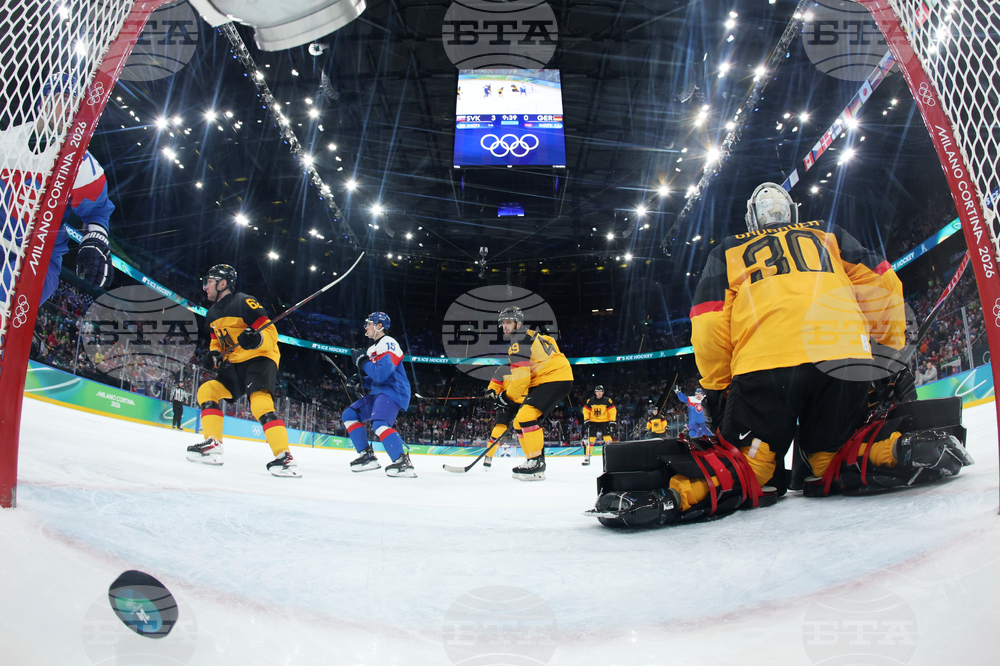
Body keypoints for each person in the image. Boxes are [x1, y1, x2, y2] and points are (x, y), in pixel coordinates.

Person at [677, 182, 912, 510]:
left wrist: (719, 385)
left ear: (752, 220)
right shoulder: (829, 235)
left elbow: (708, 320)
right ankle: (894, 451)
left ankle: (678, 492)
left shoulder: (727, 250)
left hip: (765, 365)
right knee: (830, 459)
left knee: (751, 468)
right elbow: (882, 281)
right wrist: (889, 352)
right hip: (842, 359)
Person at [0, 73, 115, 310]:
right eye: (64, 98)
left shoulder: (83, 165)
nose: (70, 109)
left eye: (76, 104)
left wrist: (95, 238)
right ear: (44, 101)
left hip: (37, 260)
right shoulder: (6, 142)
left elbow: (98, 213)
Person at [185, 265, 299, 477]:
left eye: (208, 282)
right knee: (207, 391)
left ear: (222, 284)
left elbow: (270, 332)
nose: (205, 287)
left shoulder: (243, 301)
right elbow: (215, 343)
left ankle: (285, 457)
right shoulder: (211, 314)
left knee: (260, 403)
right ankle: (213, 444)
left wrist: (256, 339)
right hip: (236, 362)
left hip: (260, 358)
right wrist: (213, 355)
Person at [496, 306, 574, 481]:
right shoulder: (538, 336)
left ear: (519, 323)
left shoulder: (518, 342)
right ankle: (532, 460)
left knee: (526, 416)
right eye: (503, 323)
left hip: (553, 379)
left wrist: (506, 397)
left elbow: (521, 379)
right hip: (554, 378)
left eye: (508, 322)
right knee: (518, 422)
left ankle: (537, 463)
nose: (505, 326)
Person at [341, 312, 415, 477]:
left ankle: (402, 461)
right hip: (380, 391)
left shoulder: (388, 342)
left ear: (379, 326)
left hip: (394, 391)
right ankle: (367, 456)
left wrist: (362, 362)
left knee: (379, 423)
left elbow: (382, 374)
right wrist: (360, 381)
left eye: (369, 323)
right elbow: (376, 376)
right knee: (349, 415)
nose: (365, 327)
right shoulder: (372, 348)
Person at [482, 366, 517, 470]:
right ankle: (489, 456)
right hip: (504, 402)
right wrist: (491, 391)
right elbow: (495, 384)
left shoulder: (528, 366)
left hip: (522, 402)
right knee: (499, 429)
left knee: (526, 427)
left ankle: (534, 458)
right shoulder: (503, 369)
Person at [582, 385, 616, 466]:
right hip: (593, 422)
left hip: (605, 422)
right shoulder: (590, 401)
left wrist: (612, 421)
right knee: (591, 439)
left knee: (608, 438)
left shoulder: (608, 400)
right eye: (597, 391)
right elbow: (586, 411)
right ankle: (587, 456)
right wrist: (586, 420)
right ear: (595, 392)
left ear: (603, 392)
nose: (599, 393)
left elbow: (612, 411)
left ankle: (611, 455)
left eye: (600, 391)